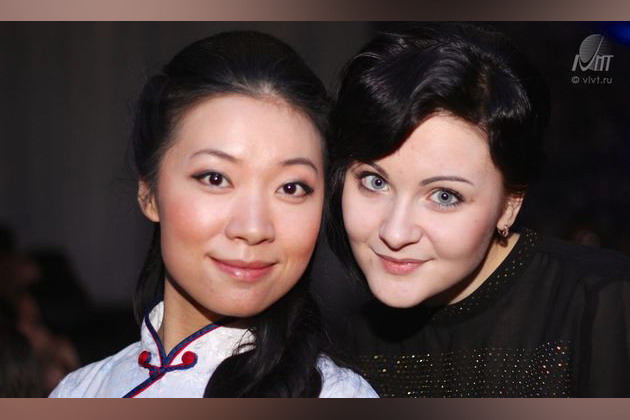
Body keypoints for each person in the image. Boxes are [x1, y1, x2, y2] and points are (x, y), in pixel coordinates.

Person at [49, 31, 377, 398]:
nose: (253, 228)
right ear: (149, 193)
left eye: (291, 187)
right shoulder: (79, 392)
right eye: (215, 178)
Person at [327, 24, 630, 397]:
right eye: (375, 182)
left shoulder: (603, 305)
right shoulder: (339, 344)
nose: (395, 232)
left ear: (510, 205)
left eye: (444, 196)